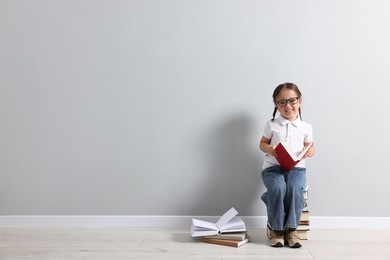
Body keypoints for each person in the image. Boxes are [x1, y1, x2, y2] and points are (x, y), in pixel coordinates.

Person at [259, 82, 315, 248]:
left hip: (297, 168)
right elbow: (262, 144)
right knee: (278, 188)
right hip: (273, 168)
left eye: (292, 100)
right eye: (281, 102)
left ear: (300, 101)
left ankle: (291, 229)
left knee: (295, 189)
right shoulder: (272, 125)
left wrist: (310, 151)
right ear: (276, 104)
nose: (288, 106)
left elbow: (311, 147)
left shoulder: (306, 127)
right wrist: (270, 148)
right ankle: (277, 230)